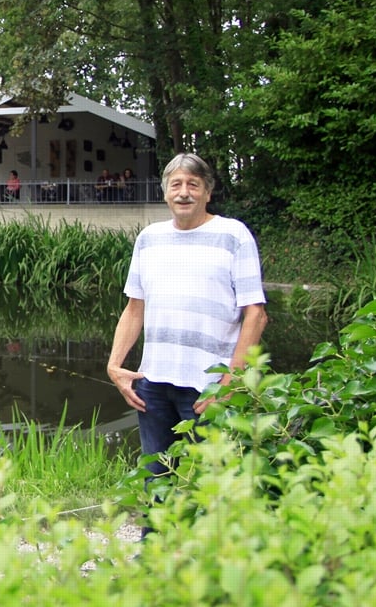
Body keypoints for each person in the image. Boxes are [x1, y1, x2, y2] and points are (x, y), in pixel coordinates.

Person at [106, 153, 267, 533]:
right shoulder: (149, 239)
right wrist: (114, 365)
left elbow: (256, 315)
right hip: (152, 385)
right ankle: (154, 561)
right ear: (165, 193)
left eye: (193, 185)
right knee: (156, 480)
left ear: (207, 192)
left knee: (211, 483)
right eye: (176, 185)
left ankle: (210, 568)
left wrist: (229, 382)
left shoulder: (234, 235)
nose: (184, 193)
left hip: (208, 388)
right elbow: (133, 309)